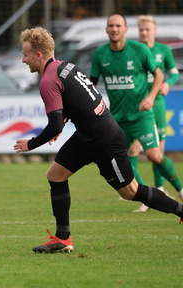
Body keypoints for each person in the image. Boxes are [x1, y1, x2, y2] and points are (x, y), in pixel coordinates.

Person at [14, 26, 183, 254]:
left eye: (25, 54)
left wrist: (31, 143)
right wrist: (61, 123)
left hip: (104, 139)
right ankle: (63, 238)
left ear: (38, 55)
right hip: (88, 135)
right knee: (55, 175)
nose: (23, 60)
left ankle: (181, 211)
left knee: (130, 192)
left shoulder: (47, 81)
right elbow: (77, 102)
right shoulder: (65, 67)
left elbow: (54, 123)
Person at [89, 14, 183, 213]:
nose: (114, 29)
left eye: (118, 26)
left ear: (125, 29)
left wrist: (150, 97)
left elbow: (159, 74)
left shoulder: (140, 50)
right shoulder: (100, 54)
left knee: (155, 155)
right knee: (123, 158)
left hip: (141, 115)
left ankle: (180, 189)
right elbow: (91, 85)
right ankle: (148, 197)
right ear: (106, 30)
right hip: (117, 118)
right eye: (111, 26)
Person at [128, 15, 181, 212]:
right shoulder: (133, 50)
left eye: (147, 29)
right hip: (137, 106)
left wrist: (167, 82)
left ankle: (159, 190)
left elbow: (174, 72)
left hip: (156, 105)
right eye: (141, 30)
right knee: (132, 150)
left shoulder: (163, 50)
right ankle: (144, 193)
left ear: (154, 31)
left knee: (157, 152)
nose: (144, 33)